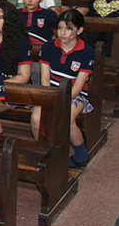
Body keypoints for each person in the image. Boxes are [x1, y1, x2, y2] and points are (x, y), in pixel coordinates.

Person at [32, 9, 95, 167]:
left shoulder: (87, 51)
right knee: (35, 118)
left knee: (67, 119)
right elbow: (45, 79)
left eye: (69, 29)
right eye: (60, 28)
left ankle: (81, 155)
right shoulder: (48, 47)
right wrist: (50, 99)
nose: (63, 33)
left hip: (76, 94)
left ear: (79, 30)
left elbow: (79, 85)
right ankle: (47, 152)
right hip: (50, 92)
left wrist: (61, 101)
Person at [0, 2, 32, 85]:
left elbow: (24, 76)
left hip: (12, 88)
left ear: (10, 20)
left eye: (0, 18)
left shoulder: (22, 41)